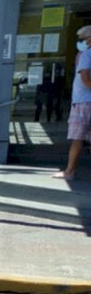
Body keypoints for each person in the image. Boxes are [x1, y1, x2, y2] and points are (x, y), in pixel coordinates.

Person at [55, 25, 91, 180]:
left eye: (82, 38)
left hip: (83, 102)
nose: (80, 41)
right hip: (85, 101)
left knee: (77, 137)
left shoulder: (87, 54)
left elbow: (84, 77)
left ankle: (69, 172)